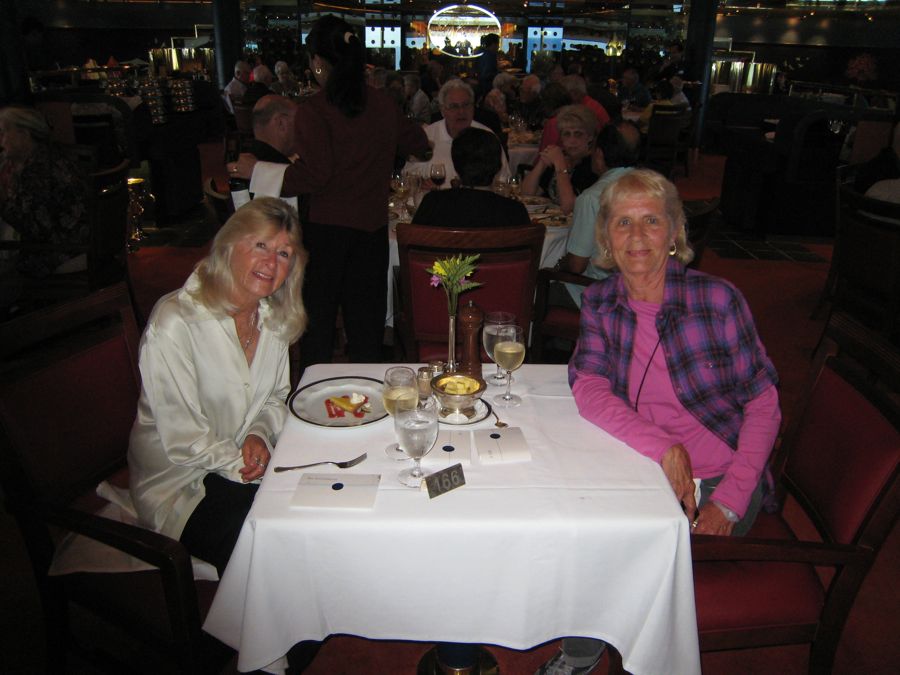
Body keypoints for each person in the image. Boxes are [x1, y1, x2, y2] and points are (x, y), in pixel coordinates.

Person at [538, 170, 781, 675]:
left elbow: (763, 404)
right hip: (644, 465)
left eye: (651, 220)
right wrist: (665, 447)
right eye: (622, 222)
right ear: (605, 238)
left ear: (674, 232)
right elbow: (589, 385)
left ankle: (587, 656)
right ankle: (585, 648)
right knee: (567, 517)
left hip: (722, 475)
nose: (636, 235)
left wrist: (729, 502)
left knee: (626, 555)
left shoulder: (717, 301)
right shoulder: (602, 302)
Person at [229, 15, 428, 369]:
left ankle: (313, 396)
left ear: (318, 61)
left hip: (327, 235)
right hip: (371, 233)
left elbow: (315, 176)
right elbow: (419, 143)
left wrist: (257, 171)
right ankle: (367, 396)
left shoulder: (316, 110)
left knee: (318, 329)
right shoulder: (382, 103)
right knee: (366, 333)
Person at [128, 197, 308, 576]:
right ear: (228, 245)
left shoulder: (273, 318)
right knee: (272, 550)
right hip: (180, 486)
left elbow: (275, 399)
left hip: (243, 465)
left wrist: (258, 433)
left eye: (284, 254)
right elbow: (184, 440)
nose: (271, 262)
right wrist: (244, 462)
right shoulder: (176, 322)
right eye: (261, 245)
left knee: (310, 515)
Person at [0, 106, 89, 283]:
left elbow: (35, 230)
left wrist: (3, 201)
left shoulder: (38, 171)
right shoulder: (48, 154)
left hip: (63, 250)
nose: (1, 140)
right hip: (77, 239)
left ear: (23, 134)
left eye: (3, 133)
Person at [558, 121, 641, 307]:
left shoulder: (592, 198)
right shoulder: (654, 188)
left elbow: (576, 266)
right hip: (646, 288)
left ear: (599, 154)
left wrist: (558, 265)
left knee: (532, 285)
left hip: (605, 295)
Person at [412, 127, 531, 228]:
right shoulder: (515, 211)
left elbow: (412, 242)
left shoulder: (432, 204)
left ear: (456, 165)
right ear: (498, 166)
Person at [404, 79, 510, 189]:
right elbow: (408, 177)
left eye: (466, 105)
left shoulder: (487, 137)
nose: (461, 112)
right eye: (454, 106)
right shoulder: (426, 137)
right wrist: (420, 183)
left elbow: (504, 180)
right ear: (442, 110)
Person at [521, 104, 598, 215]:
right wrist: (542, 163)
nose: (572, 140)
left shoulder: (593, 165)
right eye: (567, 134)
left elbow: (569, 207)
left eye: (578, 134)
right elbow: (527, 194)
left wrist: (560, 165)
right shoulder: (560, 156)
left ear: (590, 136)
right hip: (551, 221)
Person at [539, 75, 610, 150]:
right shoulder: (587, 104)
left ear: (574, 93)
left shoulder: (585, 110)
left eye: (564, 93)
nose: (563, 96)